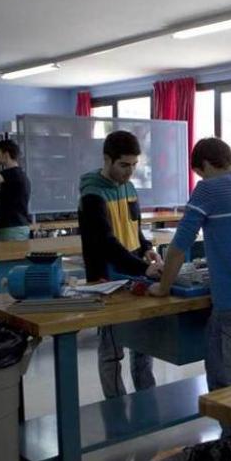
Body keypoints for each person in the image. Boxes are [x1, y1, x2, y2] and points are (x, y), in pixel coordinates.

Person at [148, 138, 231, 435]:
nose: (201, 178)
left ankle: (230, 448)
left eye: (200, 173)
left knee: (224, 385)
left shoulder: (208, 189)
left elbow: (179, 247)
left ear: (206, 165)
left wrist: (162, 287)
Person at [78, 130, 162, 399]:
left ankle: (146, 400)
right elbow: (105, 243)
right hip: (108, 279)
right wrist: (142, 268)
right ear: (107, 159)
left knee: (143, 344)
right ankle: (116, 406)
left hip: (135, 272)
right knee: (112, 350)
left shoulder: (129, 187)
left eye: (134, 165)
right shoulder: (92, 194)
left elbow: (134, 228)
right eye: (124, 165)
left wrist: (147, 249)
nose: (130, 172)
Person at [0, 139, 31, 241]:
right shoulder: (20, 174)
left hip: (12, 228)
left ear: (6, 154)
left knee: (12, 257)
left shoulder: (11, 174)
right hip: (18, 226)